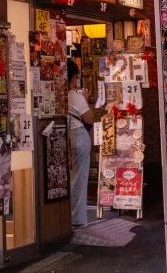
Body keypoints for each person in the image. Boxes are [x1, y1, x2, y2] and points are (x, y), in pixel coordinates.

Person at [68, 59, 98, 228]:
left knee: (69, 178)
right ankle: (77, 218)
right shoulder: (75, 97)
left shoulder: (60, 94)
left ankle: (67, 216)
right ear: (73, 77)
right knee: (79, 178)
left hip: (66, 137)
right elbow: (90, 118)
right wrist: (84, 100)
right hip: (78, 137)